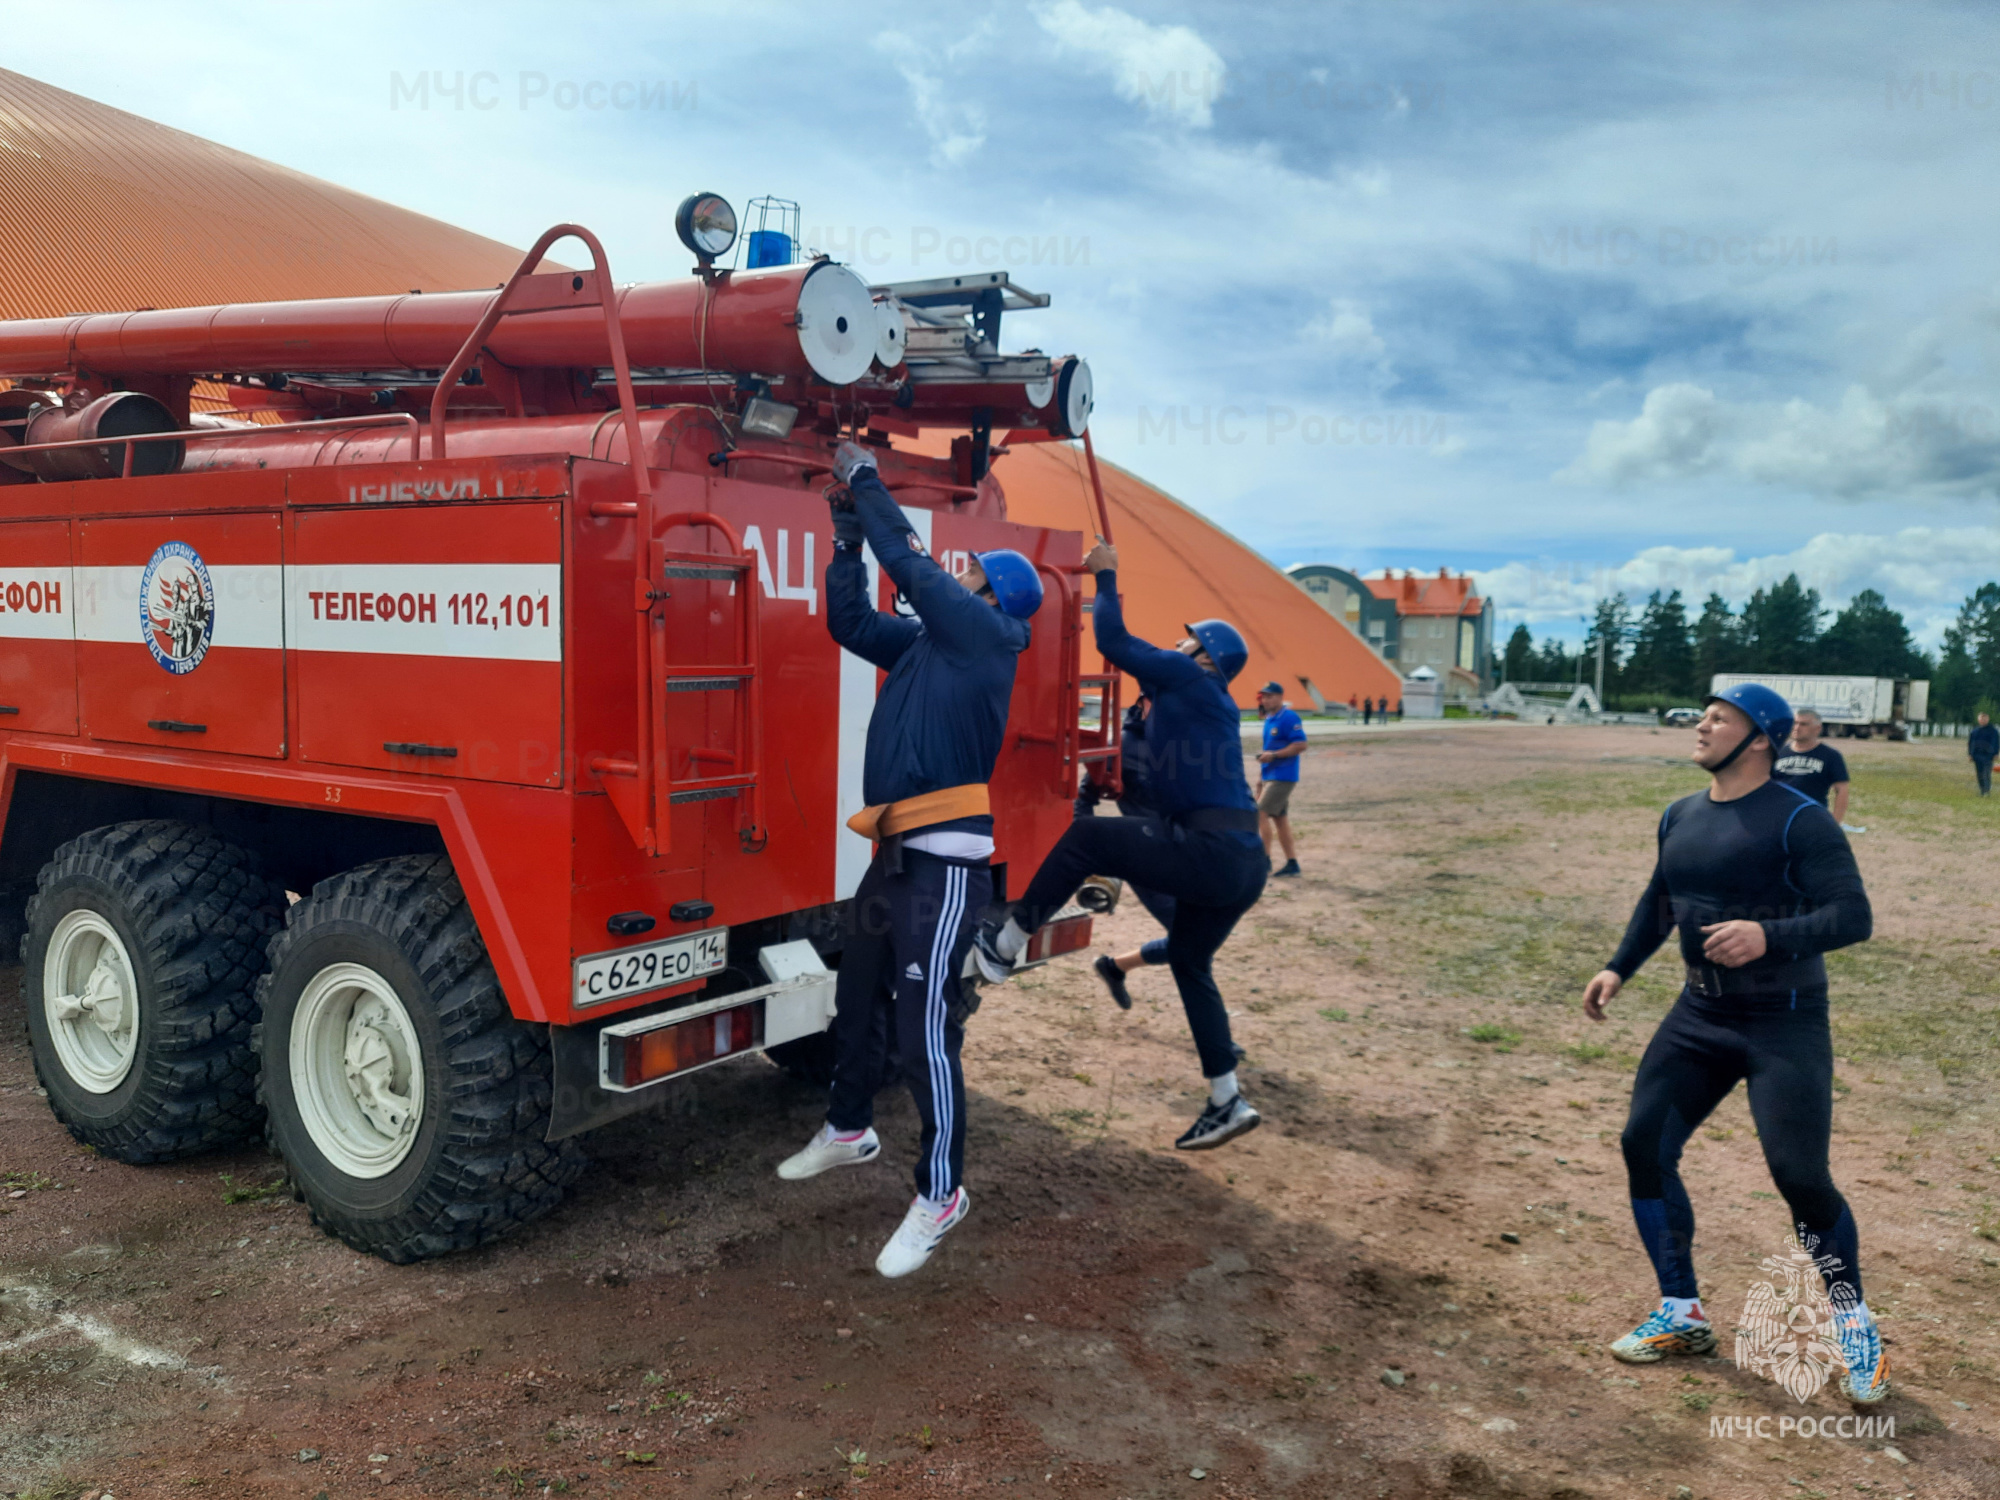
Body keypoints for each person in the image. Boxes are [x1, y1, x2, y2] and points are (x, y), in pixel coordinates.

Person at [775, 440, 1042, 1280]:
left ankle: (942, 1193)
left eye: (969, 575)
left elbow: (912, 561)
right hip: (894, 857)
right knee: (856, 996)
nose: (953, 577)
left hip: (942, 869)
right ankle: (849, 1129)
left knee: (925, 1031)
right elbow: (848, 623)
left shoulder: (984, 638)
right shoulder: (929, 647)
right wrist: (844, 541)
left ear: (988, 595)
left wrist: (864, 483)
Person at [1582, 683, 1885, 1403]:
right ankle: (1682, 1312)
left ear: (1759, 741)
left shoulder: (1802, 822)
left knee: (1799, 1177)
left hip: (1784, 1021)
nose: (1701, 725)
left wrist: (1768, 936)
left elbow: (1854, 915)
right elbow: (1661, 902)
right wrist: (1618, 966)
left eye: (1719, 718)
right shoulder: (1680, 814)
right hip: (1698, 1017)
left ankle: (1855, 1322)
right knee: (1643, 1145)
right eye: (1702, 714)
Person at [973, 540, 1268, 1150]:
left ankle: (1003, 944)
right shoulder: (1201, 703)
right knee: (1190, 962)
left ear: (1202, 654)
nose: (1177, 643)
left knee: (1084, 839)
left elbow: (1113, 642)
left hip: (1210, 850)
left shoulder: (1189, 676)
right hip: (1244, 862)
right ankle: (1226, 1099)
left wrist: (1106, 579)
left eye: (1187, 640)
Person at [1255, 680, 1306, 877]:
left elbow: (1301, 744)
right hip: (1270, 775)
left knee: (1259, 813)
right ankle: (1292, 863)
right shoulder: (1269, 719)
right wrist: (1261, 778)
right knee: (1280, 819)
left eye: (1269, 696)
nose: (1265, 700)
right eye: (1264, 696)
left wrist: (1275, 756)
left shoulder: (1289, 717)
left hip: (1283, 776)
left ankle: (1264, 860)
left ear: (1280, 697)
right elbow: (1268, 749)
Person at [1772, 708, 1851, 824]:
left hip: (1813, 819)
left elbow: (1841, 790)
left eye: (1803, 724)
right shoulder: (1778, 753)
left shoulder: (1830, 755)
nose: (1797, 728)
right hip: (1780, 818)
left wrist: (1835, 823)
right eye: (1795, 723)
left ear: (1817, 729)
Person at [1970, 712, 1997, 797]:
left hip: (1988, 755)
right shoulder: (1975, 731)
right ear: (1979, 720)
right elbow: (1971, 743)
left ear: (1988, 719)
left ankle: (1987, 791)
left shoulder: (1993, 731)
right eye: (1981, 718)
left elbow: (1996, 743)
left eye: (1985, 718)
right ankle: (1982, 790)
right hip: (1977, 755)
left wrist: (1996, 753)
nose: (1983, 720)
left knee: (1986, 773)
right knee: (1980, 774)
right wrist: (1970, 754)